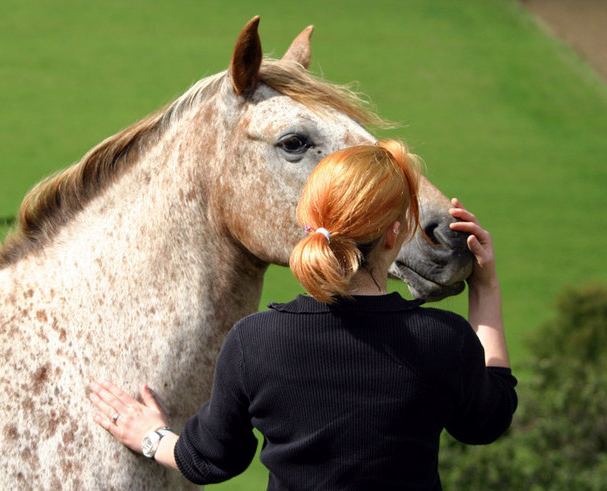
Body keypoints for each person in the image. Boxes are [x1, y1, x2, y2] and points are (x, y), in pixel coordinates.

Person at [89, 140, 517, 490]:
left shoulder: (255, 342)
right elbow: (488, 419)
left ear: (311, 223)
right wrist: (486, 286)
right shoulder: (443, 340)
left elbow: (210, 461)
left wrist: (149, 436)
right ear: (396, 231)